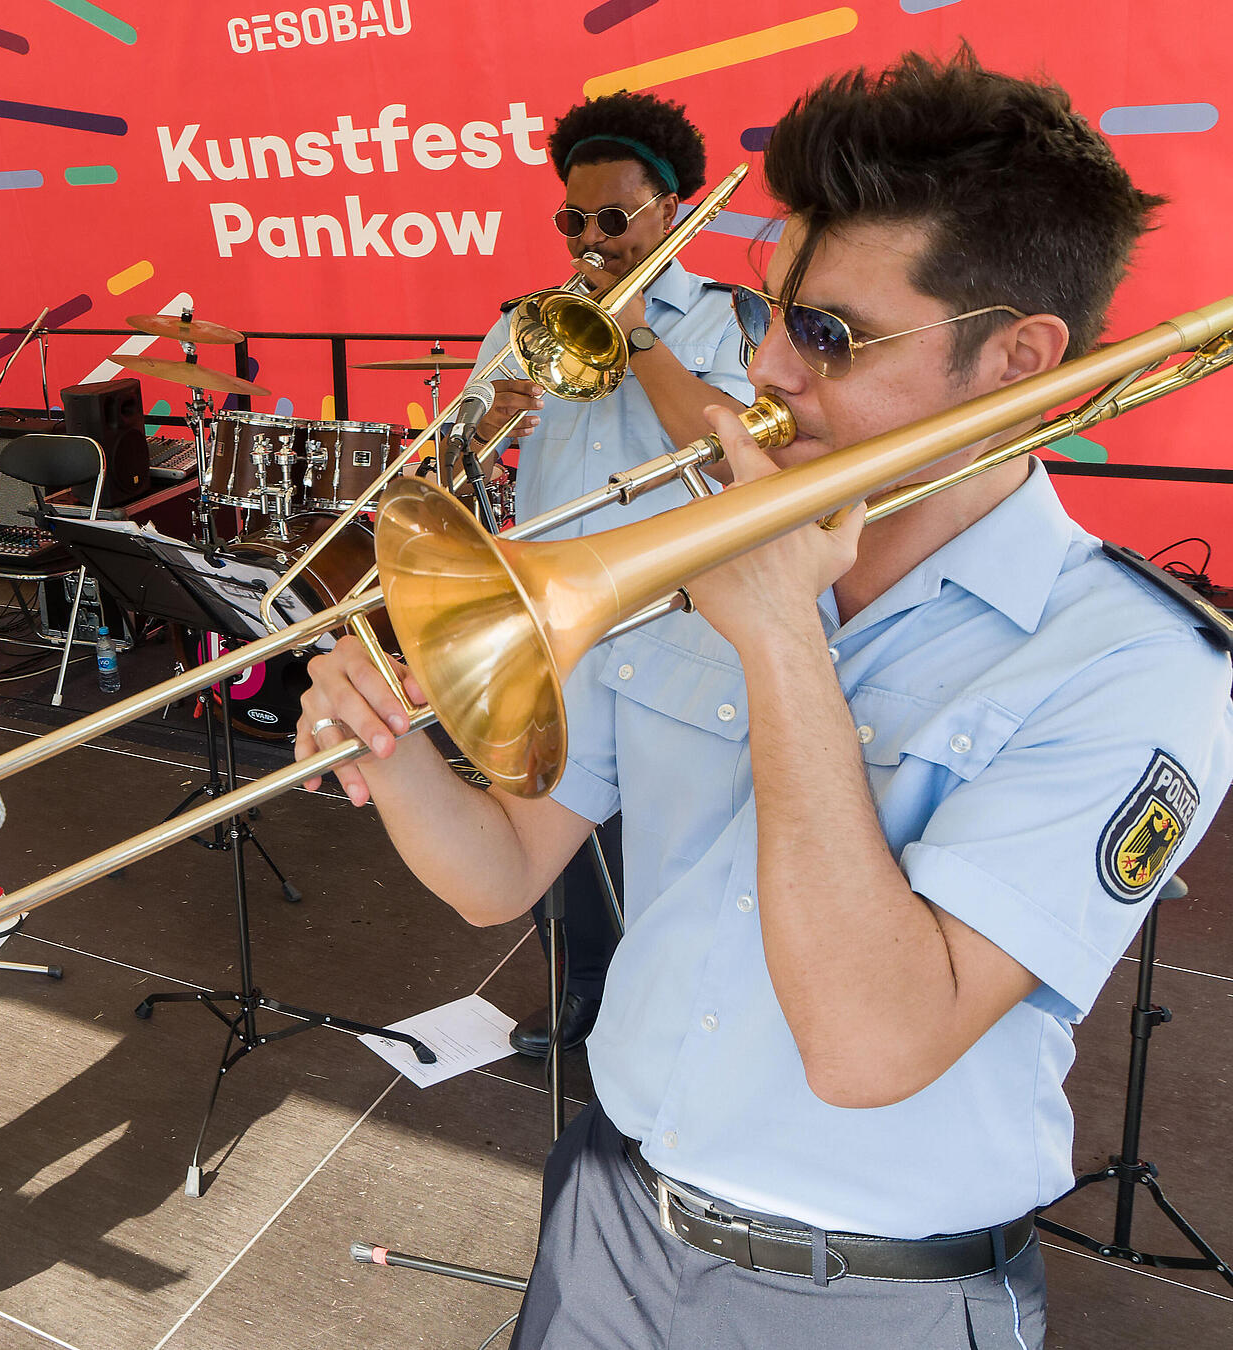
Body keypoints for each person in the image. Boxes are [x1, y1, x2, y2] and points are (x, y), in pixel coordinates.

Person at [298, 49, 1231, 1348]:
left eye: (832, 333)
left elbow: (870, 1045)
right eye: (775, 311)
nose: (772, 368)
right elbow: (502, 873)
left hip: (870, 1294)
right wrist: (389, 749)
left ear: (1016, 359)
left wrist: (780, 639)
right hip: (613, 1213)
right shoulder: (689, 560)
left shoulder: (1138, 662)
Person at [467, 91, 755, 1058]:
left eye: (613, 219)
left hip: (679, 619)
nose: (591, 241)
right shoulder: (526, 323)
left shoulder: (727, 322)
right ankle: (577, 986)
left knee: (676, 836)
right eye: (572, 221)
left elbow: (732, 457)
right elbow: (463, 451)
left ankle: (670, 1014)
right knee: (546, 813)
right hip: (557, 608)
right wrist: (491, 417)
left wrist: (636, 334)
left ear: (670, 209)